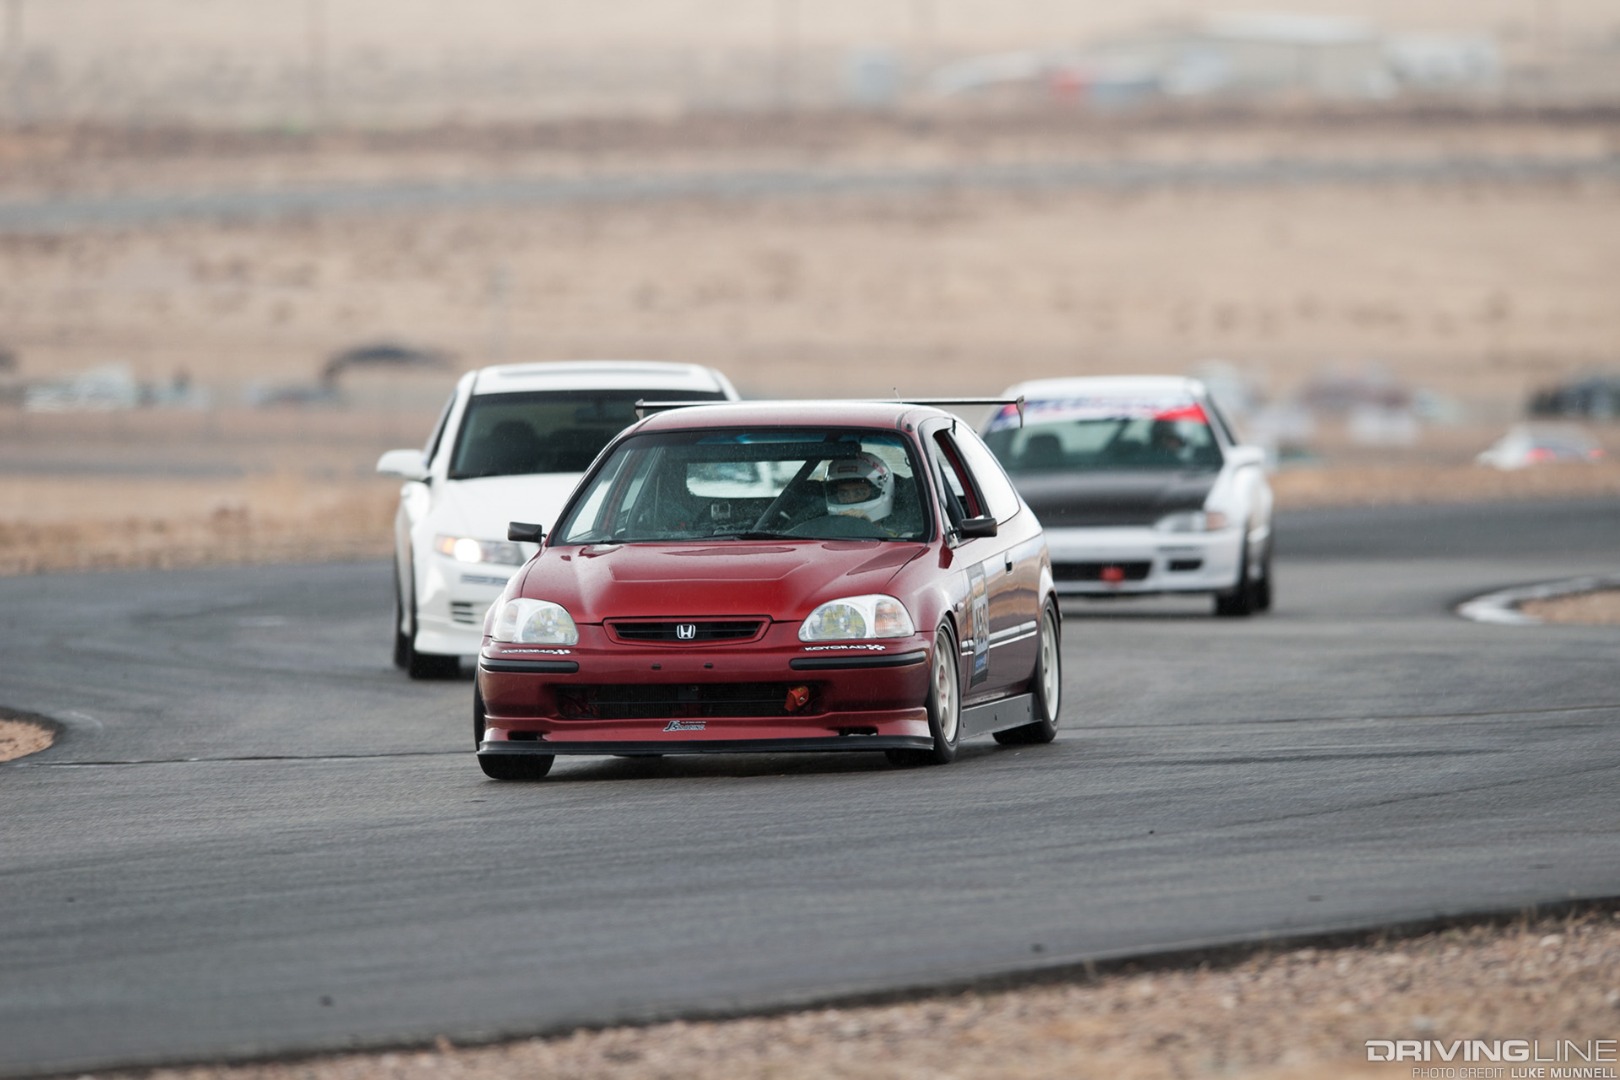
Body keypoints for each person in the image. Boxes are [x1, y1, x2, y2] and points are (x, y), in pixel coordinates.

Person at [824, 453, 894, 523]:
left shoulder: (893, 533)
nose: (850, 499)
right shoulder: (822, 530)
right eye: (843, 494)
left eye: (859, 493)